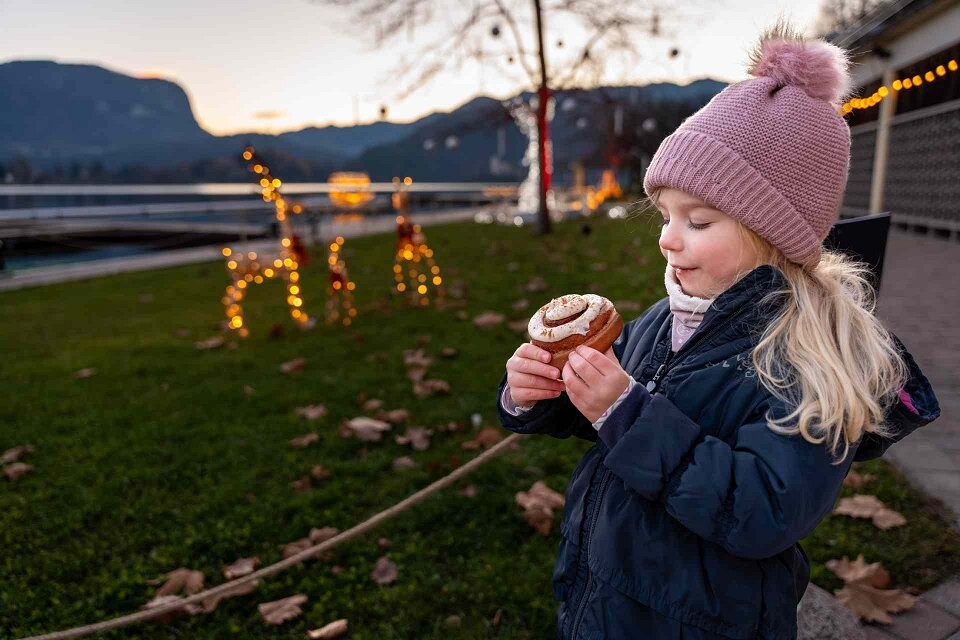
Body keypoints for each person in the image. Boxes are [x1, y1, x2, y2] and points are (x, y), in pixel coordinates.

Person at [496, 22, 940, 640]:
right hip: (613, 597)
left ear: (773, 235)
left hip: (702, 619)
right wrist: (541, 393)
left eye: (698, 221)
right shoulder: (668, 316)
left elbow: (763, 511)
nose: (666, 237)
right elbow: (605, 409)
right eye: (667, 214)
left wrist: (625, 413)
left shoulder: (805, 358)